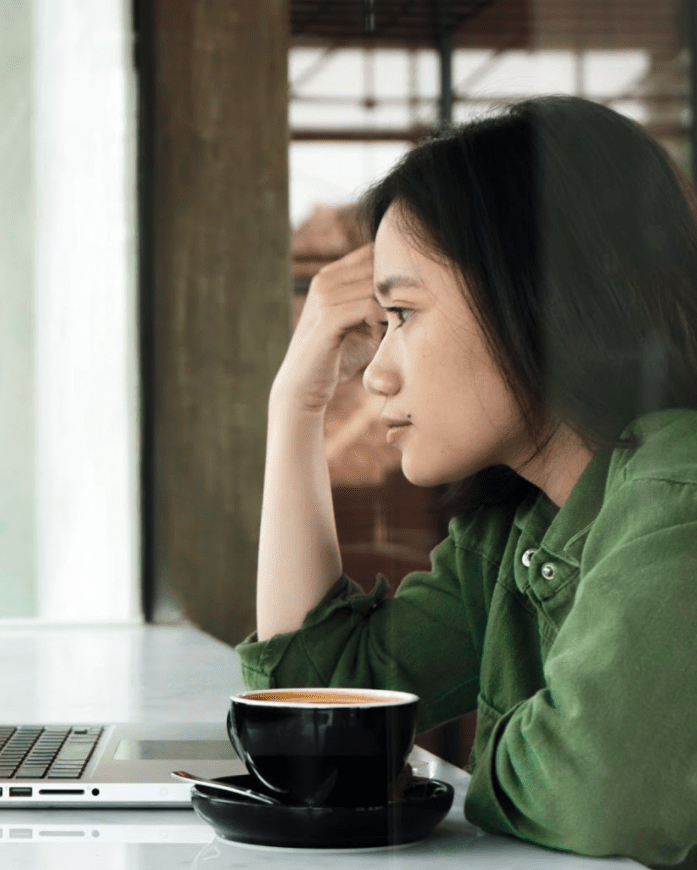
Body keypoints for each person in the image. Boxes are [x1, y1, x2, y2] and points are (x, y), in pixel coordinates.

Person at [236, 95, 697, 867]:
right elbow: (319, 701)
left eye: (404, 315)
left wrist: (494, 762)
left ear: (540, 296)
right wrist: (296, 406)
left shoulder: (679, 492)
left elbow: (597, 793)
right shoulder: (519, 528)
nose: (377, 374)